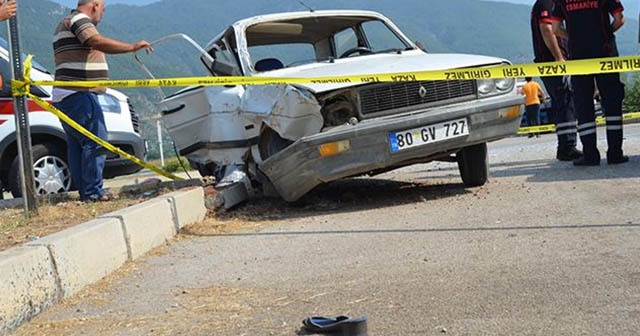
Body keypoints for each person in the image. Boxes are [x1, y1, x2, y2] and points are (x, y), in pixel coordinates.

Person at [52, 0, 152, 201]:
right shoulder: (79, 20)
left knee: (78, 145)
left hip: (66, 94)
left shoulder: (65, 22)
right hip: (78, 93)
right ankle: (93, 192)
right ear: (95, 5)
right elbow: (96, 41)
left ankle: (86, 192)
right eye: (103, 9)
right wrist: (131, 47)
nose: (102, 15)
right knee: (96, 141)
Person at [551, 0, 627, 166]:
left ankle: (590, 155)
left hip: (579, 54)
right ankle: (615, 153)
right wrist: (605, 33)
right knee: (612, 102)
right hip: (605, 52)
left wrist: (575, 37)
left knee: (584, 104)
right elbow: (619, 19)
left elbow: (555, 28)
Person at [530, 0, 582, 161]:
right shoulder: (547, 3)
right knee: (565, 102)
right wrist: (559, 58)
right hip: (552, 63)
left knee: (565, 102)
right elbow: (546, 29)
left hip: (551, 62)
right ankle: (567, 147)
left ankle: (566, 145)